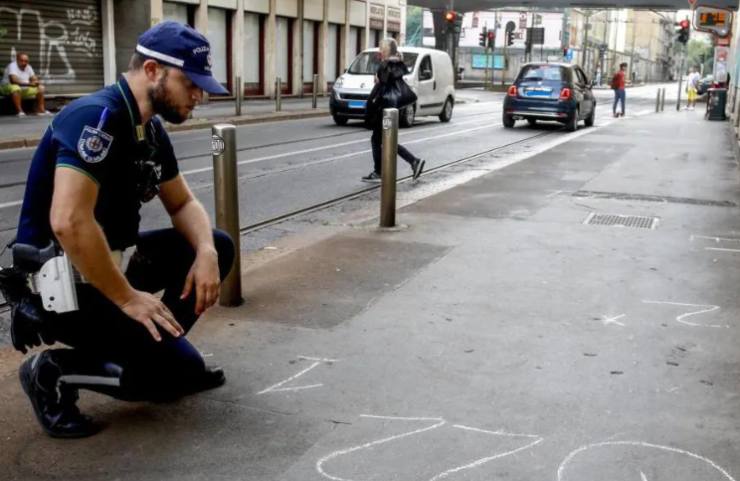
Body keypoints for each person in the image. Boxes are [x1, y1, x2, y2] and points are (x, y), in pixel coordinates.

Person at [9, 21, 234, 438]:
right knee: (163, 379)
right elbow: (69, 221)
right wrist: (129, 299)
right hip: (67, 288)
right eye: (191, 83)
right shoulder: (95, 117)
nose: (199, 96)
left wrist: (205, 251)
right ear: (153, 71)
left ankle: (159, 351)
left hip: (116, 268)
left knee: (218, 243)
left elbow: (182, 203)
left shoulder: (148, 128)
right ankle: (53, 373)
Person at [361, 38, 425, 183]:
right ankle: (413, 161)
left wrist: (377, 83)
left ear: (386, 51)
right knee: (386, 140)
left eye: (381, 48)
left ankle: (380, 172)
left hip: (384, 108)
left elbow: (382, 86)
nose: (379, 51)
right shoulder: (397, 63)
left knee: (378, 140)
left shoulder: (385, 66)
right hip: (392, 108)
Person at [1, 53, 50, 117]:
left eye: (26, 61)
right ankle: (20, 111)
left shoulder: (28, 67)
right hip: (6, 87)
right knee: (16, 88)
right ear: (17, 60)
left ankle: (41, 110)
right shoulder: (12, 66)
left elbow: (33, 78)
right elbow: (13, 81)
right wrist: (30, 84)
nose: (24, 63)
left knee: (41, 88)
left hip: (23, 88)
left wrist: (36, 82)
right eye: (22, 61)